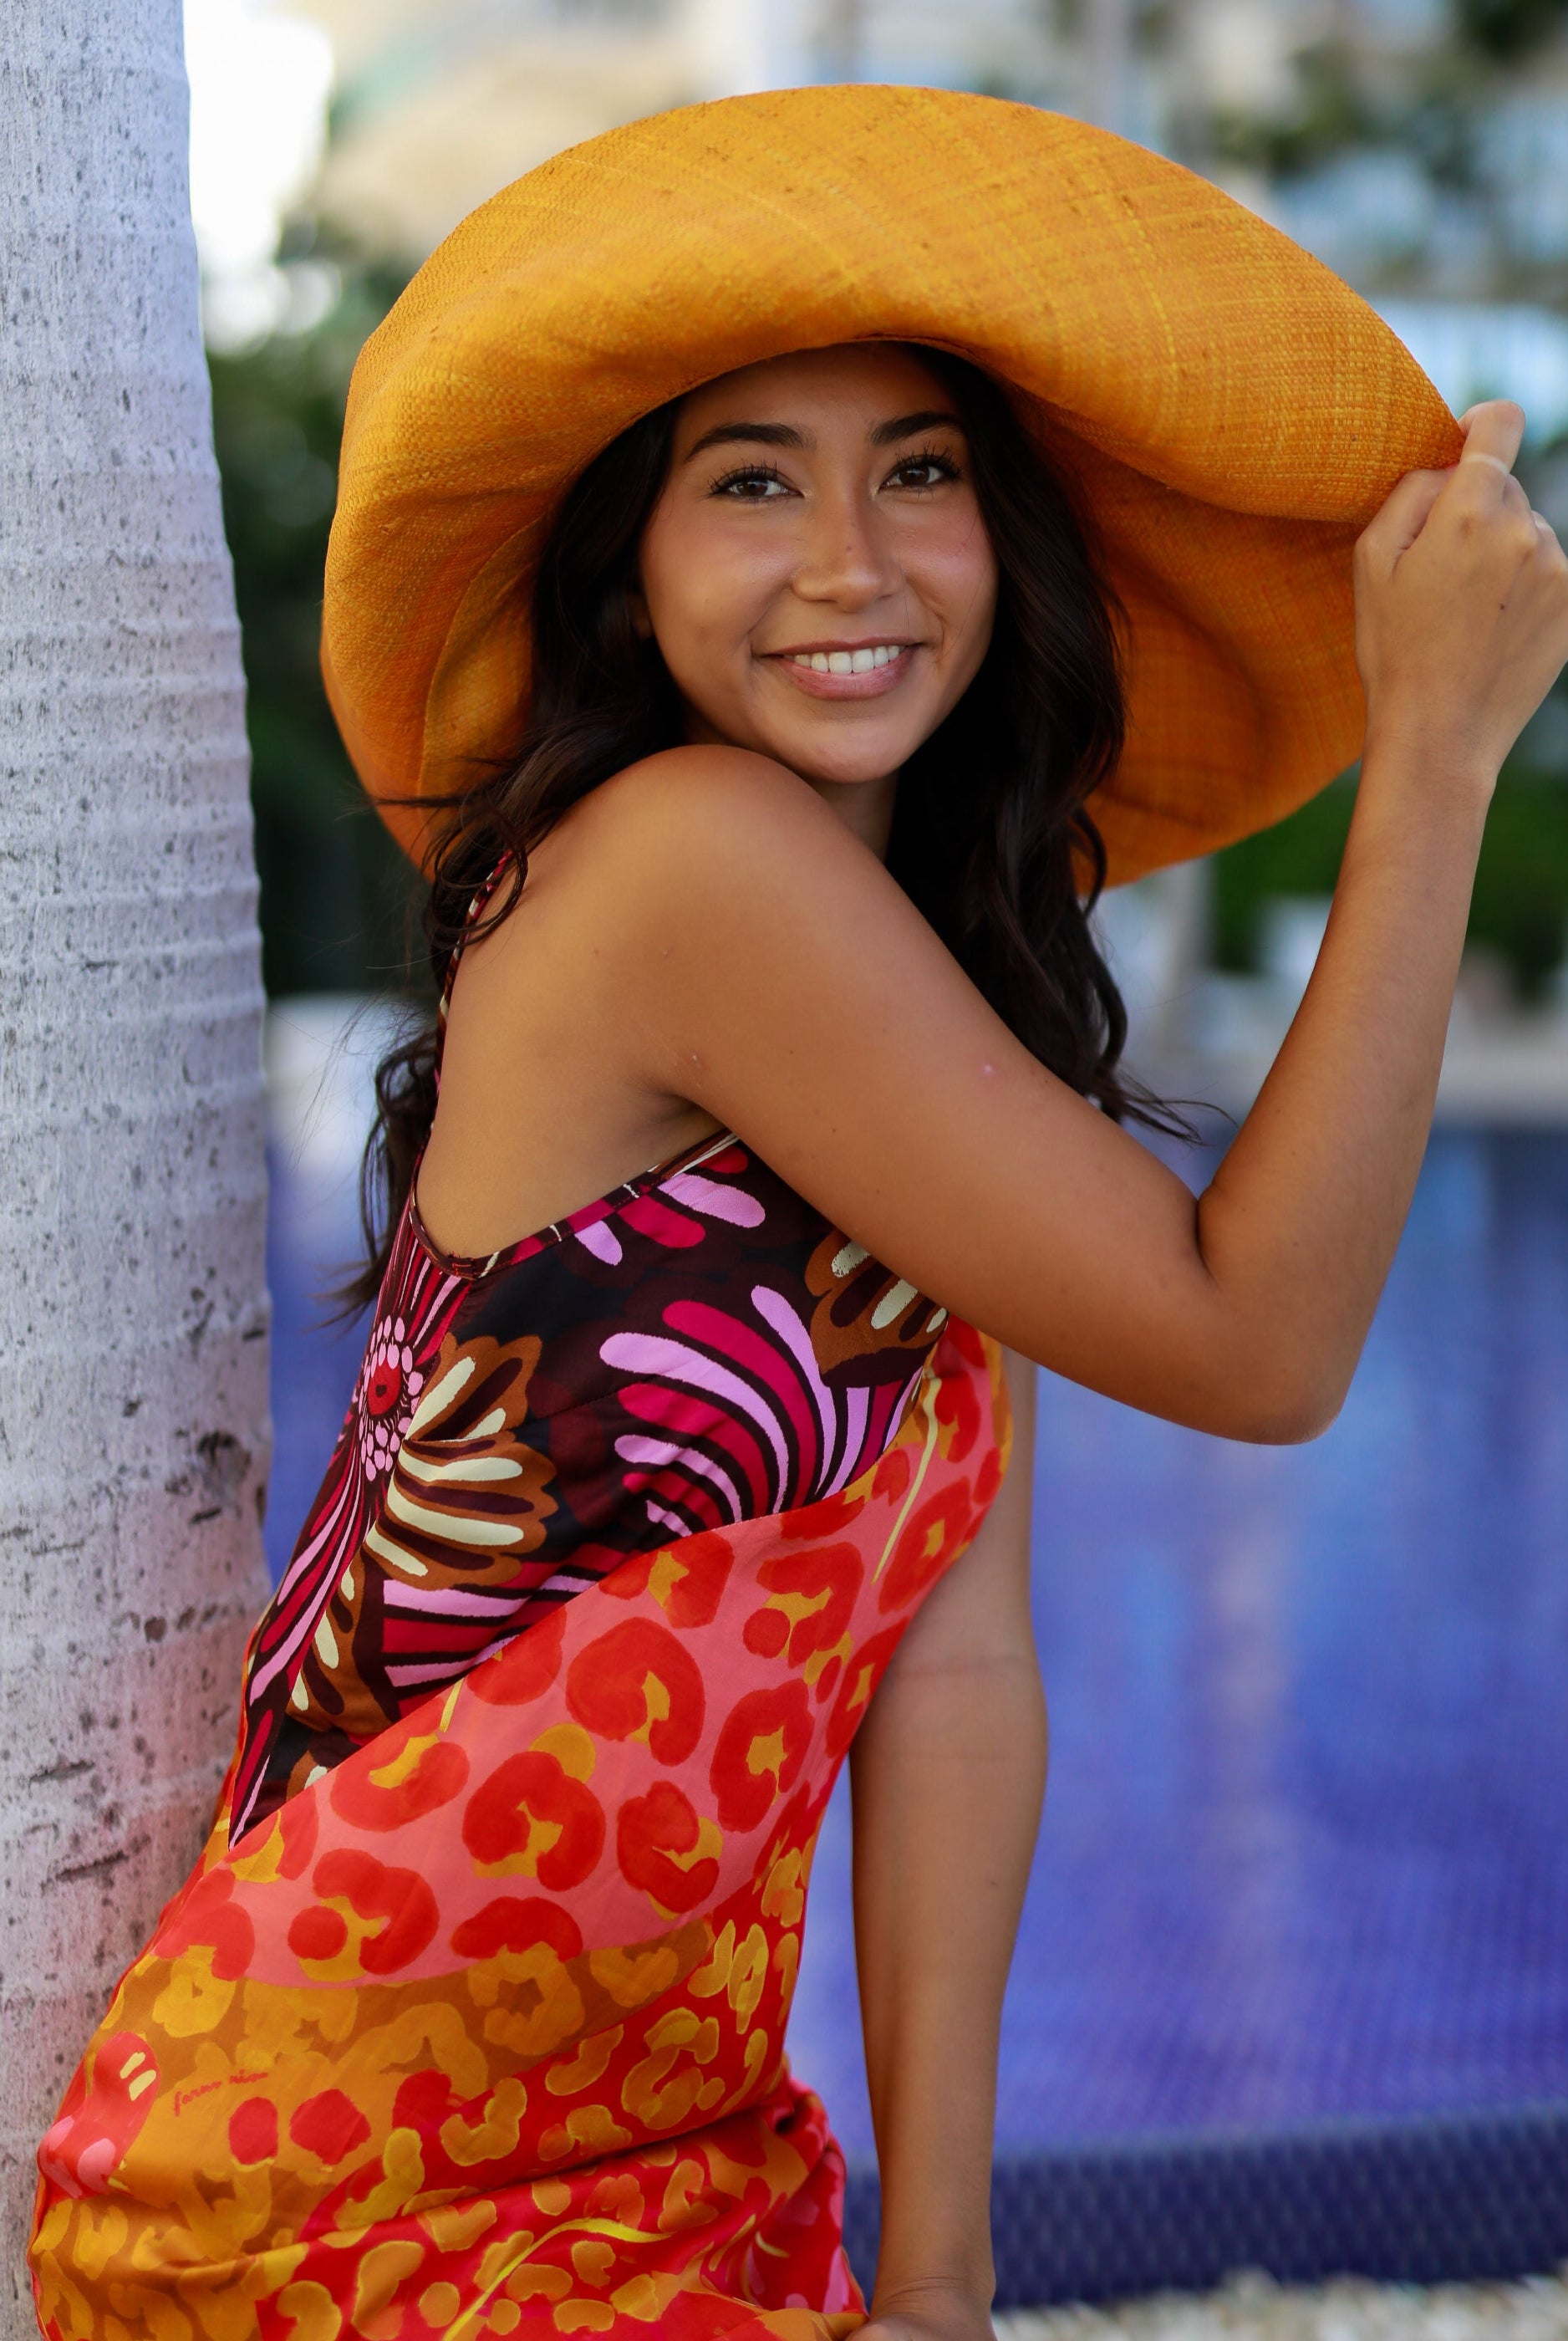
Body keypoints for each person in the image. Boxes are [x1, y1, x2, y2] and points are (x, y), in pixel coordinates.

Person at [30, 86, 1568, 2341]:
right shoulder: (685, 865)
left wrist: (932, 2284)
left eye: (917, 473)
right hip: (348, 2161)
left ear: (999, 538)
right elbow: (1264, 1350)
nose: (850, 563)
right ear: (625, 569)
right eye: (749, 479)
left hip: (665, 2151)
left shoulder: (940, 990)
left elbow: (951, 1668)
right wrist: (1431, 755)